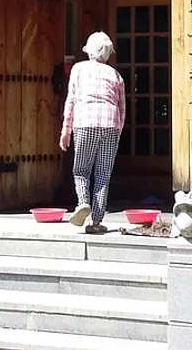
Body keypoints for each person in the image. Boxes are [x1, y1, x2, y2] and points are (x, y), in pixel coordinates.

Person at [59, 31, 126, 234]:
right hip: (111, 123)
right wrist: (118, 130)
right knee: (103, 174)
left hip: (85, 122)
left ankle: (83, 203)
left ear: (89, 51)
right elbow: (122, 107)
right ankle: (96, 221)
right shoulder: (115, 74)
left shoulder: (79, 69)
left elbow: (71, 99)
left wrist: (66, 130)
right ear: (108, 54)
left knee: (81, 170)